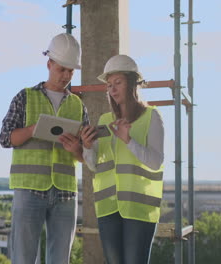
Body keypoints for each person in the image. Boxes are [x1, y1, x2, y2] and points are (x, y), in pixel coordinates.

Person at [0, 33, 89, 264]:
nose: (66, 76)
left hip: (65, 193)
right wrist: (32, 129)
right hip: (29, 190)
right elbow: (5, 138)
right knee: (23, 258)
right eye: (62, 70)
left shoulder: (78, 105)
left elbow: (86, 156)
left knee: (60, 260)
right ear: (49, 64)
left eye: (71, 71)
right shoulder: (25, 97)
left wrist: (77, 150)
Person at [81, 54, 165, 264]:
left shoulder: (152, 117)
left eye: (117, 82)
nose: (113, 89)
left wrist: (129, 140)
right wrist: (88, 147)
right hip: (108, 208)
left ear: (132, 83)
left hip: (139, 209)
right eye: (109, 85)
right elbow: (93, 165)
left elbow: (156, 162)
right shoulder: (104, 120)